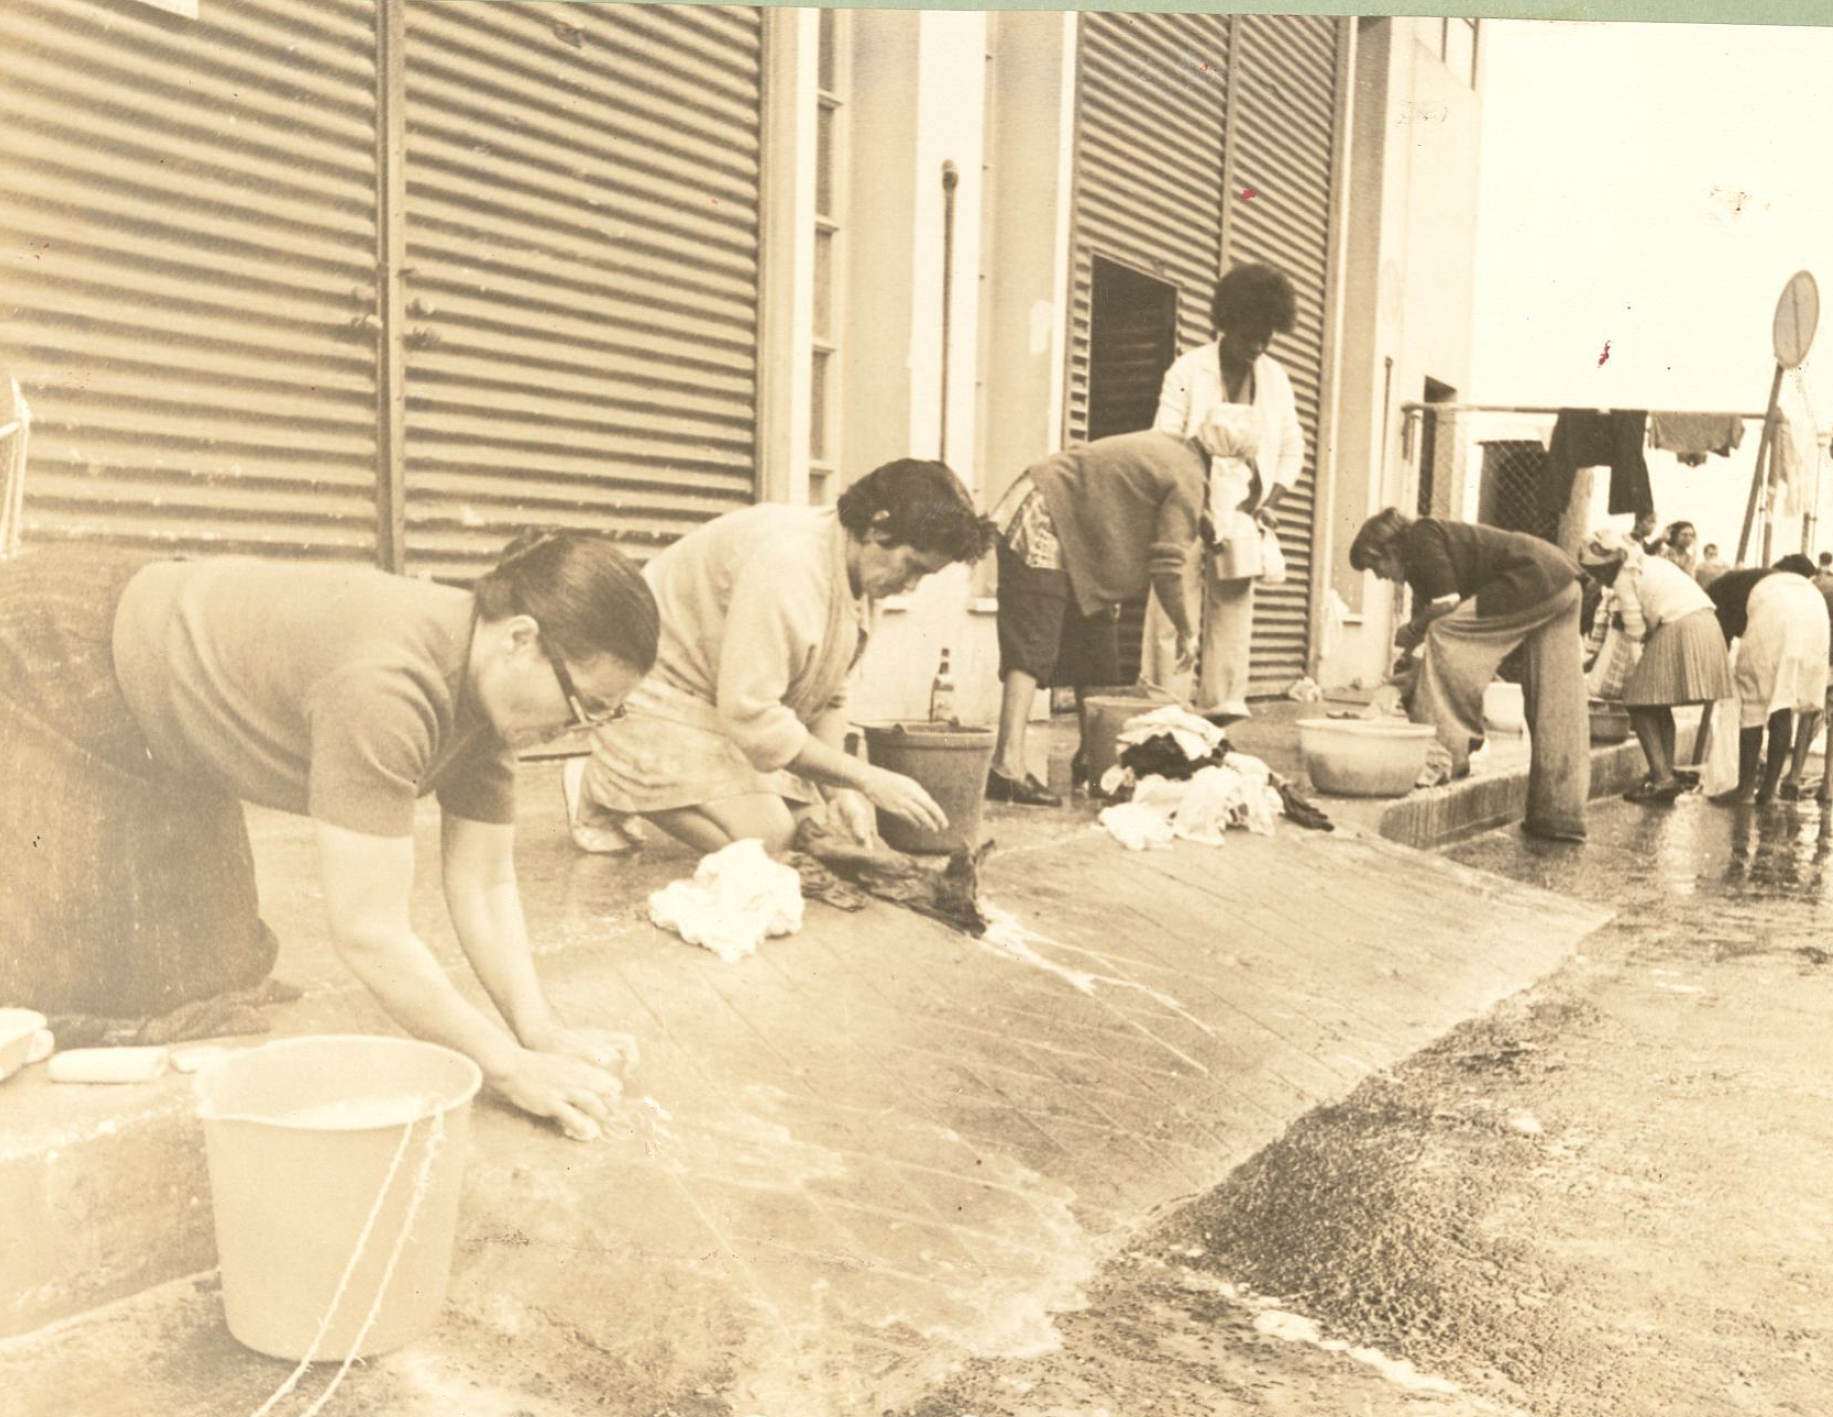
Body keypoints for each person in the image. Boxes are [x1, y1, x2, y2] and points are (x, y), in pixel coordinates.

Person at [0, 532, 659, 1139]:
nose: (576, 731)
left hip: (167, 681)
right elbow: (369, 934)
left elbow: (485, 883)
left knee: (209, 980)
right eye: (582, 709)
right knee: (75, 1000)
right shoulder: (389, 688)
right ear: (521, 638)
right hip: (57, 642)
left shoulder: (491, 693)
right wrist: (508, 1069)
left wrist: (538, 1030)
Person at [564, 459, 989, 854]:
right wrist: (865, 777)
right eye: (911, 566)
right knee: (770, 840)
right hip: (647, 692)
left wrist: (841, 793)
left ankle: (635, 779)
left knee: (817, 829)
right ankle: (602, 780)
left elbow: (832, 695)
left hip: (717, 705)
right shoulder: (790, 564)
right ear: (879, 527)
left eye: (923, 574)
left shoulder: (857, 564)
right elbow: (752, 715)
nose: (911, 585)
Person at [988, 405, 1263, 805]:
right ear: (1226, 464)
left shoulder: (1183, 452)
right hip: (1042, 509)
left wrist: (1207, 524)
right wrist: (1187, 631)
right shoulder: (1188, 475)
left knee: (1098, 649)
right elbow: (1167, 569)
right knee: (1033, 641)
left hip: (1075, 529)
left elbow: (1162, 496)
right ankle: (1006, 766)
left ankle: (1094, 759)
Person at [1350, 508, 1591, 842]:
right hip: (1562, 582)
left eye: (1376, 566)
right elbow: (1428, 657)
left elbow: (1446, 610)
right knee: (1555, 696)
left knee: (1447, 632)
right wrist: (1395, 685)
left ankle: (1443, 755)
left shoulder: (1420, 537)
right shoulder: (1427, 564)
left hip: (1532, 577)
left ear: (1389, 548)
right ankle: (1559, 814)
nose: (1380, 576)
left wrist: (1414, 629)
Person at [1139, 262, 1305, 723]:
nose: (1258, 346)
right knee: (1171, 614)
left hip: (1242, 514)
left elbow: (1292, 449)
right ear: (1226, 323)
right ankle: (1162, 714)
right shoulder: (1188, 370)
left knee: (1232, 619)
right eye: (1250, 334)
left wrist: (1270, 504)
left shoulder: (1276, 379)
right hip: (1185, 503)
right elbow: (1163, 441)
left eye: (1267, 337)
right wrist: (1192, 499)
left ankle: (1219, 717)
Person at [1578, 528, 1731, 803]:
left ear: (1611, 563)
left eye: (1598, 571)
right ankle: (1664, 772)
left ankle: (1661, 777)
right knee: (1657, 703)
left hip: (1680, 627)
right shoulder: (1650, 563)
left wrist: (1626, 626)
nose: (1599, 577)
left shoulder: (1625, 578)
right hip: (1705, 623)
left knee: (1637, 702)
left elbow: (1635, 631)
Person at [1703, 556, 1829, 806]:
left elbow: (1719, 642)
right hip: (1814, 610)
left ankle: (1746, 789)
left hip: (1775, 609)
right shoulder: (1756, 579)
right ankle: (1769, 791)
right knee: (1784, 702)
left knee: (1753, 702)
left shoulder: (1715, 593)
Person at [1782, 554, 1833, 801]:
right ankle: (1828, 784)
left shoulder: (1810, 588)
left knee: (1809, 711)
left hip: (1831, 650)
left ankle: (1794, 776)